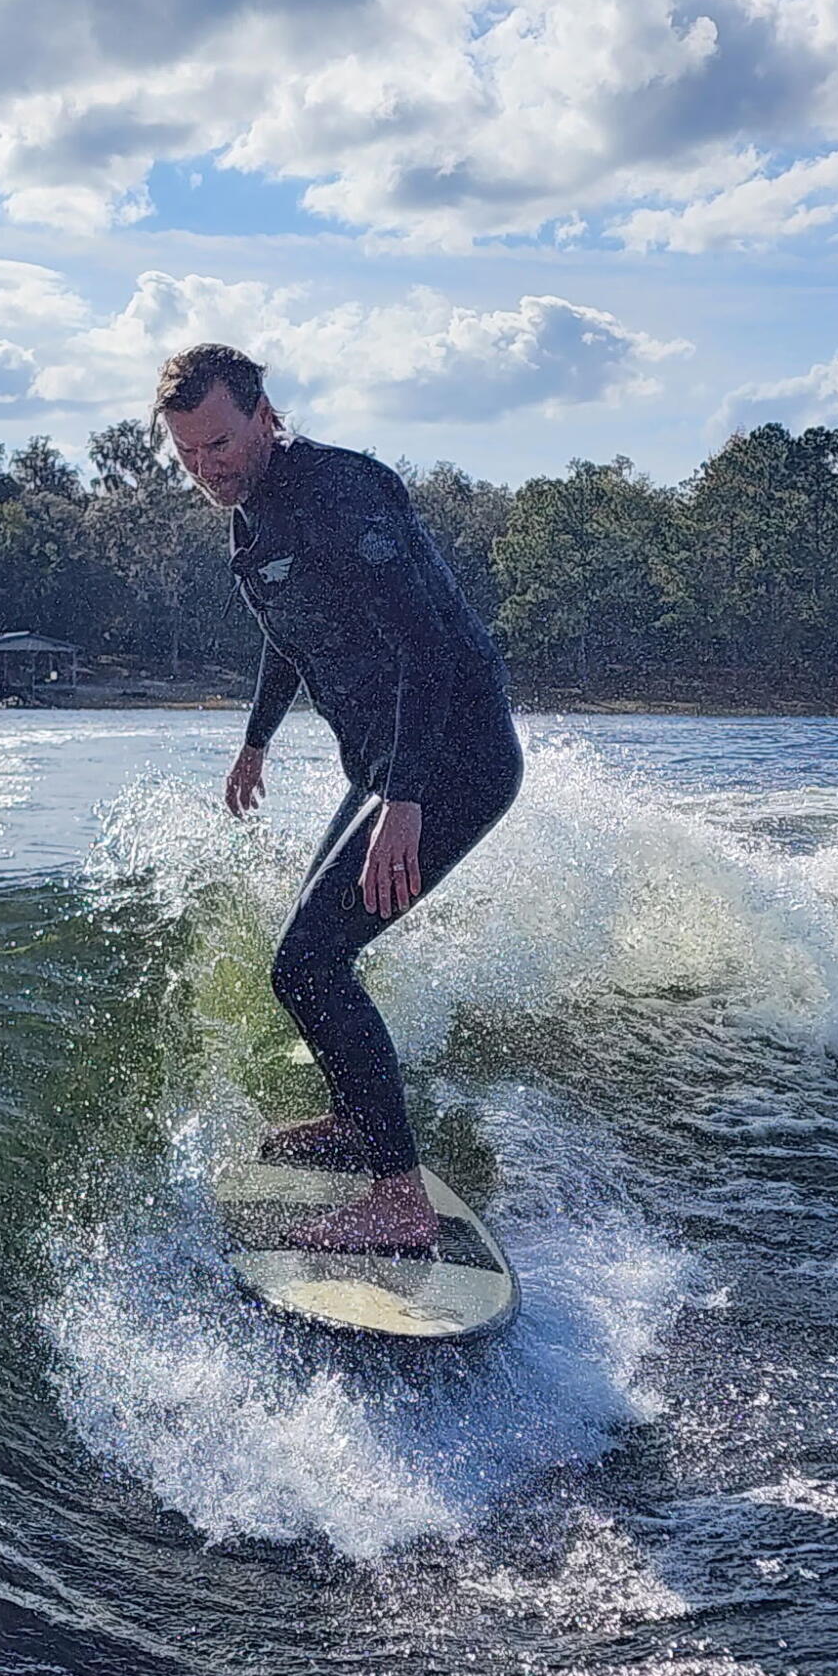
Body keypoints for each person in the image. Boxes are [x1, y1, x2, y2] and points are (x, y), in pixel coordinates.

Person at [154, 344, 524, 1253]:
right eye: (189, 454)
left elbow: (427, 647)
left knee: (308, 966)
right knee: (307, 955)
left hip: (455, 760)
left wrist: (406, 801)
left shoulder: (343, 494)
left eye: (221, 443)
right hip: (391, 769)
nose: (209, 468)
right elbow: (289, 636)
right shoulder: (253, 520)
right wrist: (255, 741)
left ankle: (398, 1202)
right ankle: (360, 1125)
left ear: (263, 412)